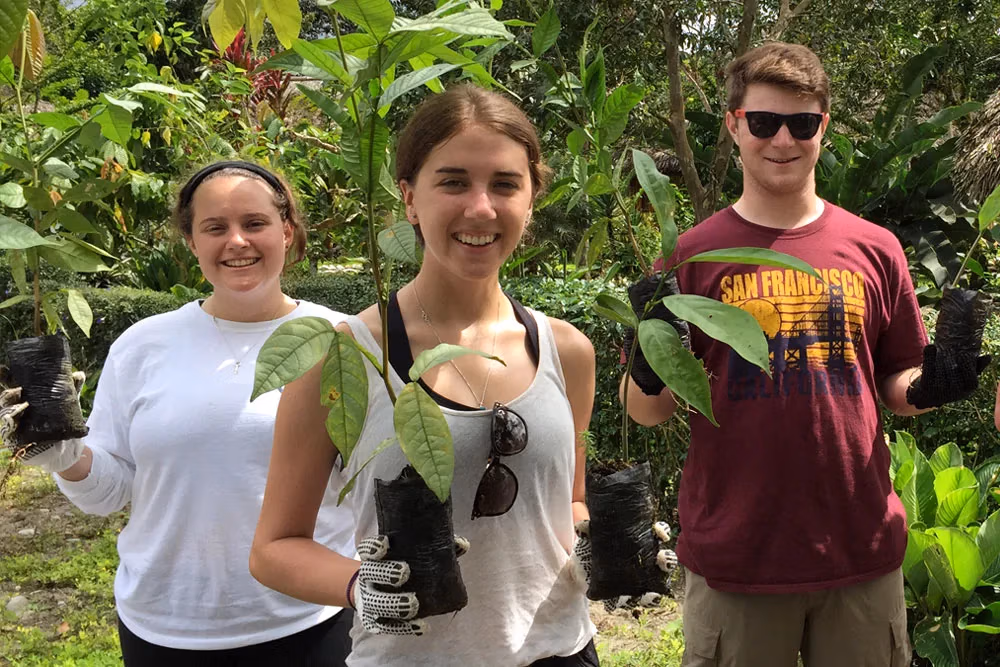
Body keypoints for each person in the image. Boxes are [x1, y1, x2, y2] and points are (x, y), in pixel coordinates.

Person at [621, 43, 989, 667]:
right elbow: (645, 412)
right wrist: (649, 358)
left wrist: (934, 385)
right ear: (735, 124)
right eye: (764, 122)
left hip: (860, 548)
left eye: (802, 123)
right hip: (737, 553)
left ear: (824, 124)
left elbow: (897, 383)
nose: (782, 139)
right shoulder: (689, 256)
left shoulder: (875, 248)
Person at [249, 84, 630, 667]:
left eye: (505, 184)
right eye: (453, 182)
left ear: (532, 199)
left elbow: (569, 502)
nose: (481, 208)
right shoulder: (344, 355)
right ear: (409, 198)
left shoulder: (566, 350)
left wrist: (603, 545)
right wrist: (360, 587)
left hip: (560, 651)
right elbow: (275, 547)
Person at [0, 161, 356, 666]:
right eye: (215, 227)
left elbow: (374, 479)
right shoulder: (144, 345)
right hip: (165, 627)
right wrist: (66, 456)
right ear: (191, 242)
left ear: (287, 230)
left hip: (309, 620)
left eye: (254, 223)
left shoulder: (344, 340)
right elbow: (114, 492)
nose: (237, 241)